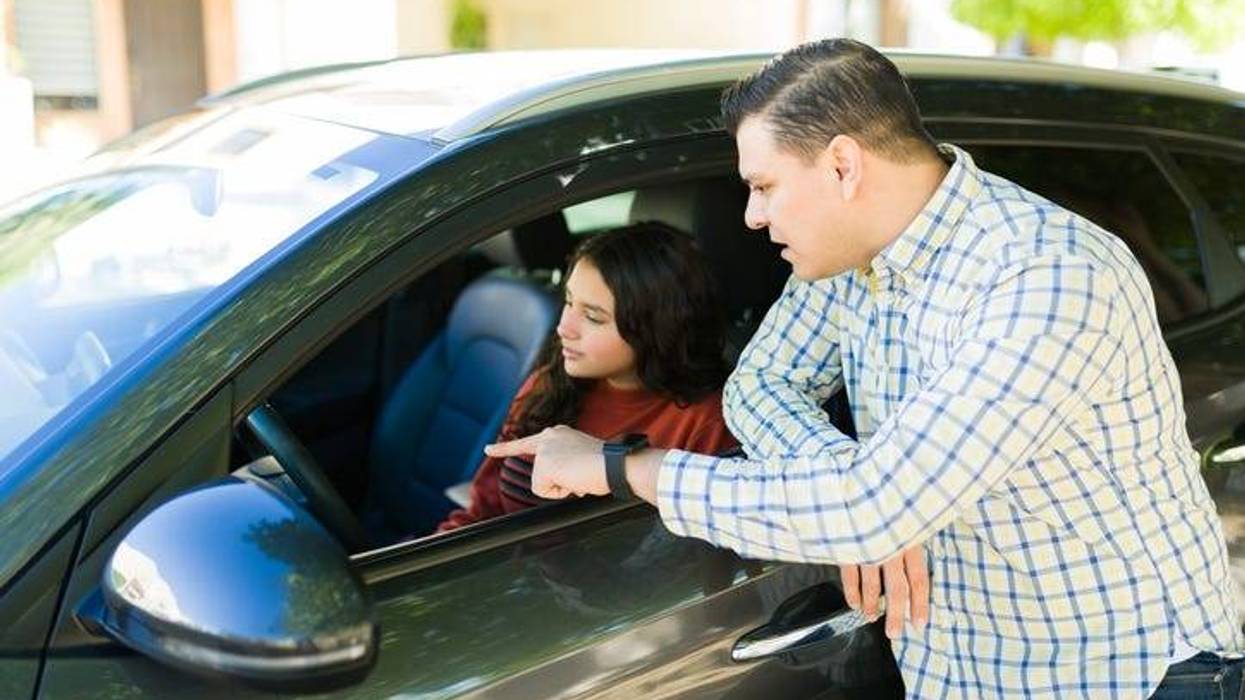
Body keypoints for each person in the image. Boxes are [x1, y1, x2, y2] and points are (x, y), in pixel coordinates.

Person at [485, 39, 1245, 698]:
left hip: (1123, 673)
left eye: (763, 186)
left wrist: (621, 467)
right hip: (962, 667)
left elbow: (873, 504)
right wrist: (866, 501)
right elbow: (760, 386)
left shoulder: (1045, 276)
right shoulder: (849, 258)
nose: (751, 216)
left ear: (843, 166)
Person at [437, 221, 736, 531]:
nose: (563, 327)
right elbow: (483, 513)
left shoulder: (706, 424)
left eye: (593, 317)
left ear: (657, 330)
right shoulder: (550, 382)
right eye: (568, 301)